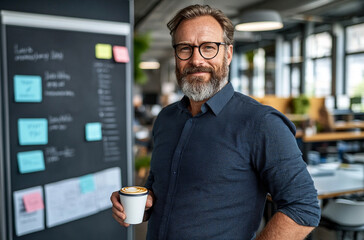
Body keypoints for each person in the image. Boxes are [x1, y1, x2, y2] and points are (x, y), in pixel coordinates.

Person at [111, 4, 320, 239]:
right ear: (175, 55)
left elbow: (303, 207)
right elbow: (157, 186)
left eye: (208, 48)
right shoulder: (165, 119)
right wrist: (143, 202)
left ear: (228, 54)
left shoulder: (262, 123)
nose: (196, 59)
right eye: (185, 48)